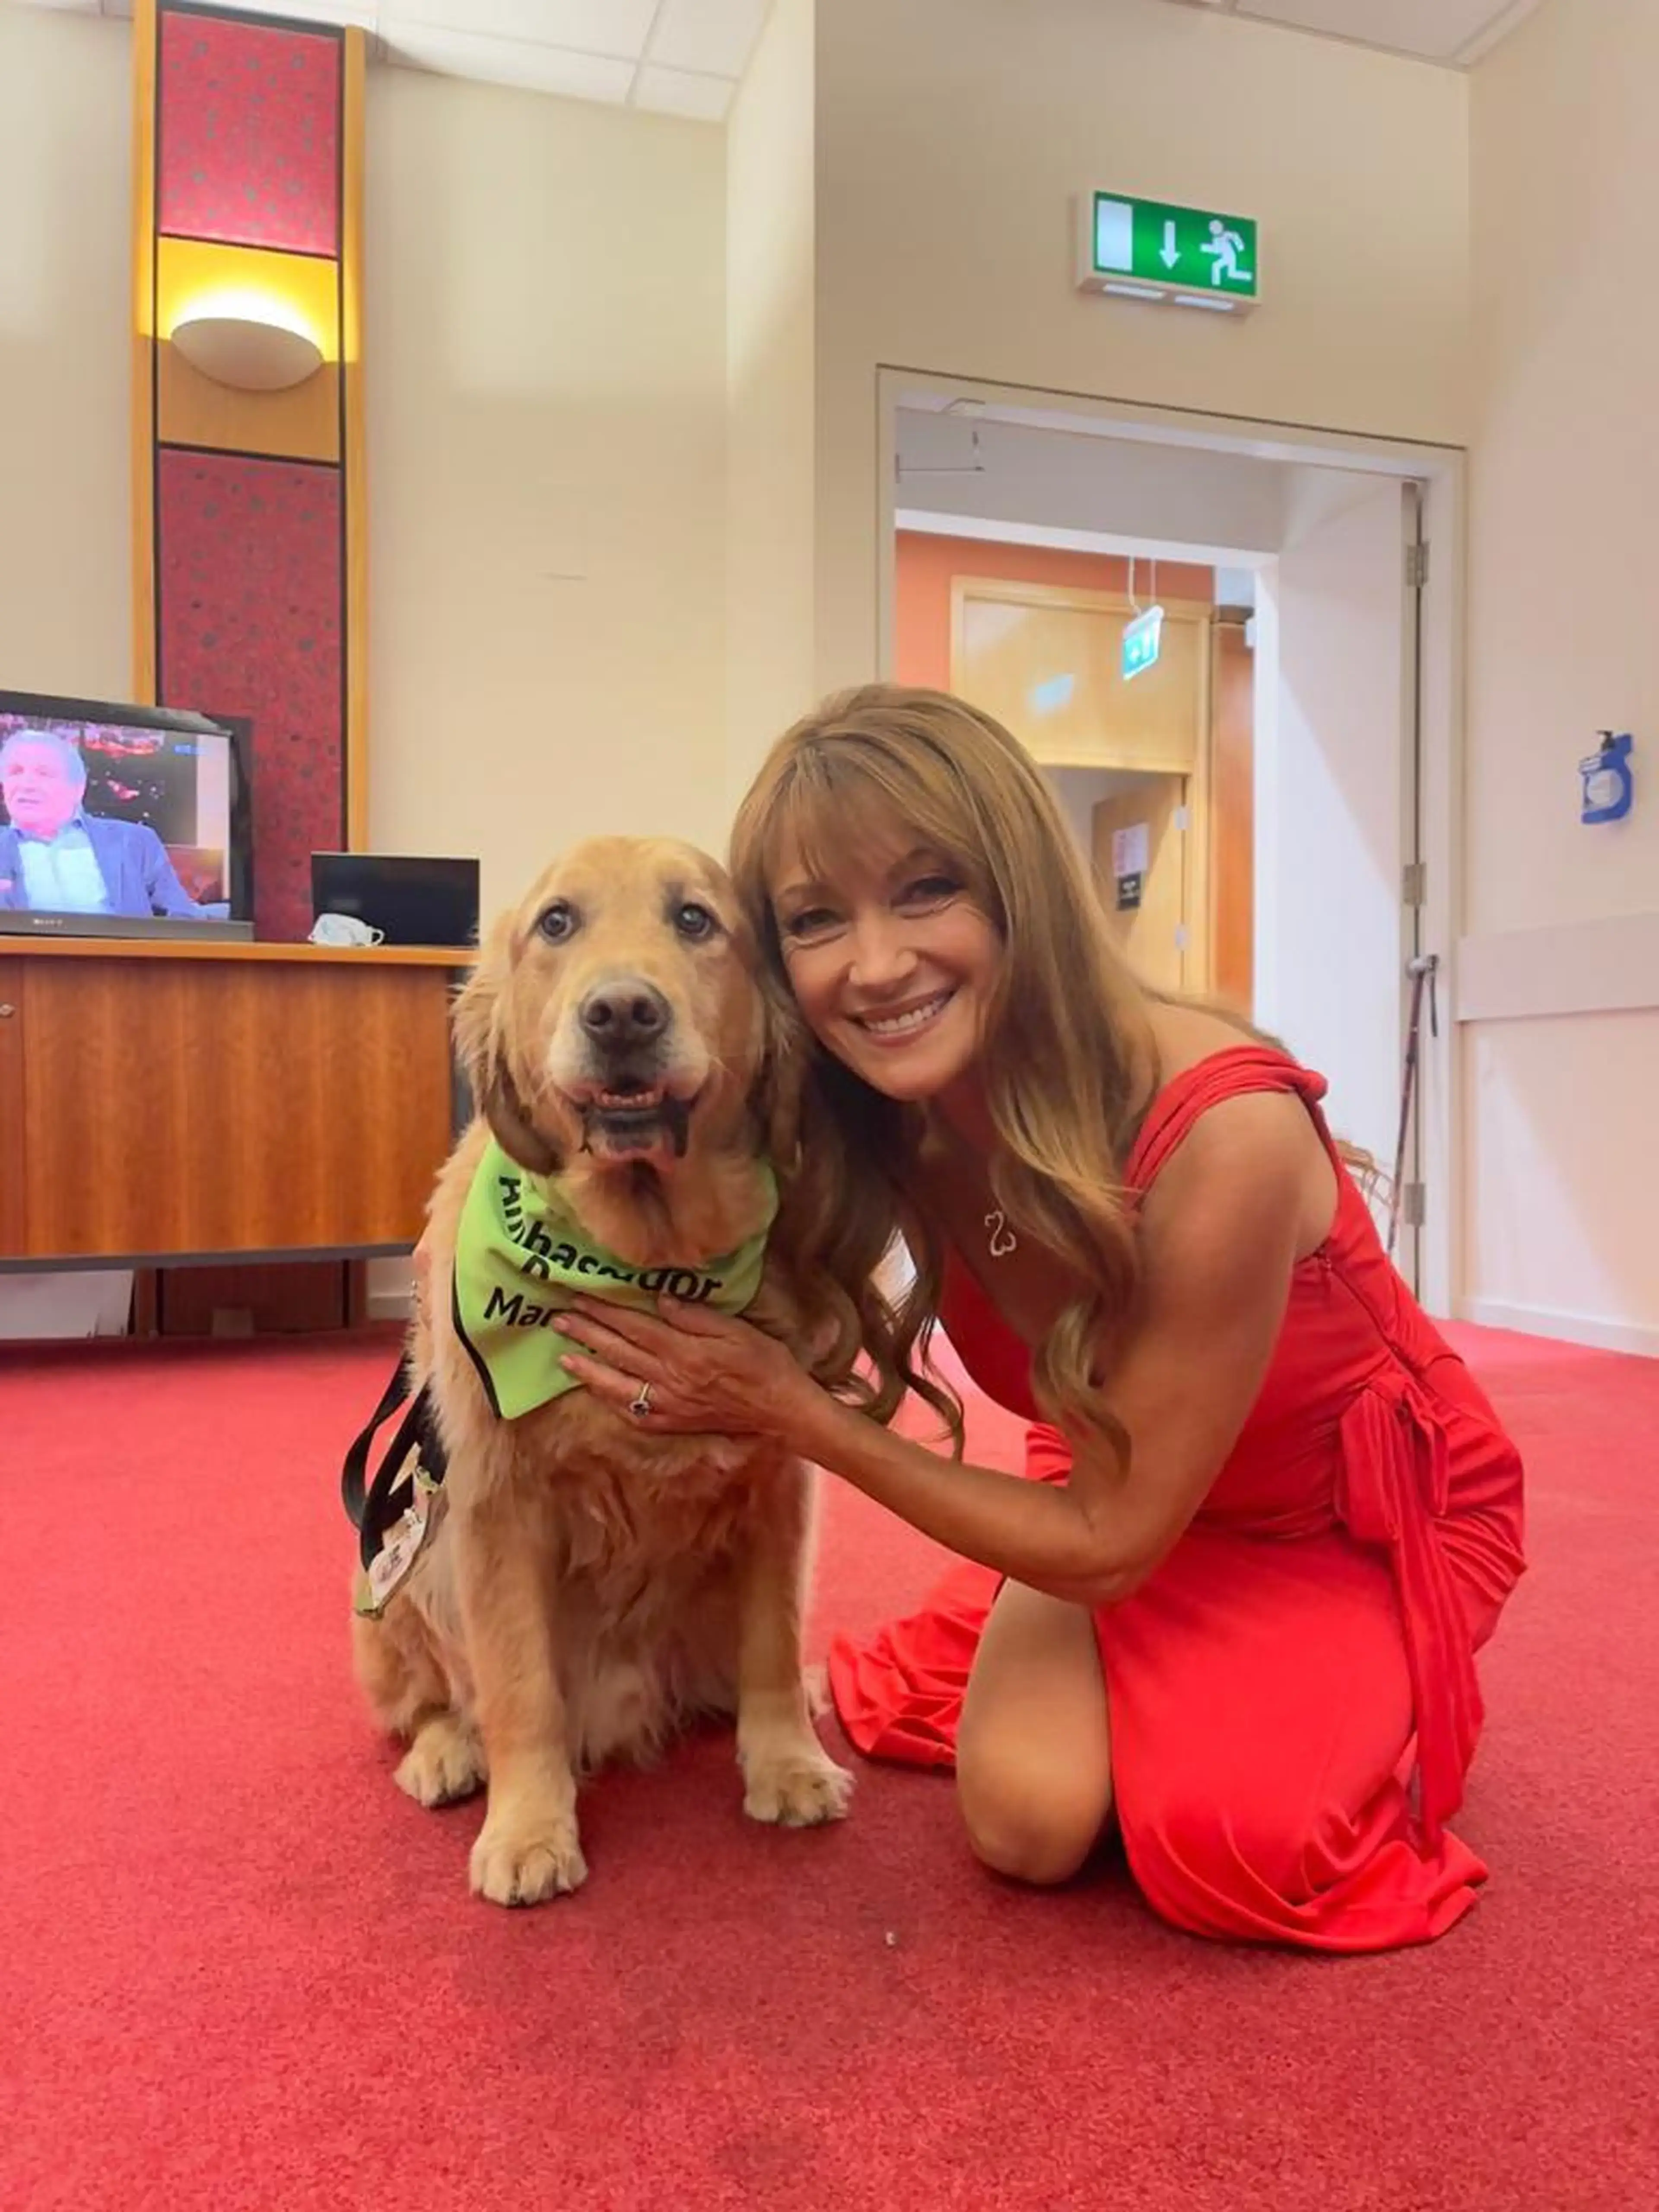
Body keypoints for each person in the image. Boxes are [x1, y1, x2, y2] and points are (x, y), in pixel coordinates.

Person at [542, 683, 1529, 1952]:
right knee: (1023, 1821)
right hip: (1111, 1477)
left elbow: (1108, 1541)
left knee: (1235, 1848)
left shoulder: (1221, 1132)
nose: (876, 962)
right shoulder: (887, 1109)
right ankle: (1196, 1688)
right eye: (814, 919)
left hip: (1340, 1511)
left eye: (924, 890)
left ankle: (1342, 1671)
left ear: (1018, 886)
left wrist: (789, 1409)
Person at [0, 728, 207, 919]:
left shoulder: (136, 842)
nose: (26, 785)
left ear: (77, 788)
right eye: (15, 772)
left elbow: (182, 917)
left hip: (122, 957)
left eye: (44, 773)